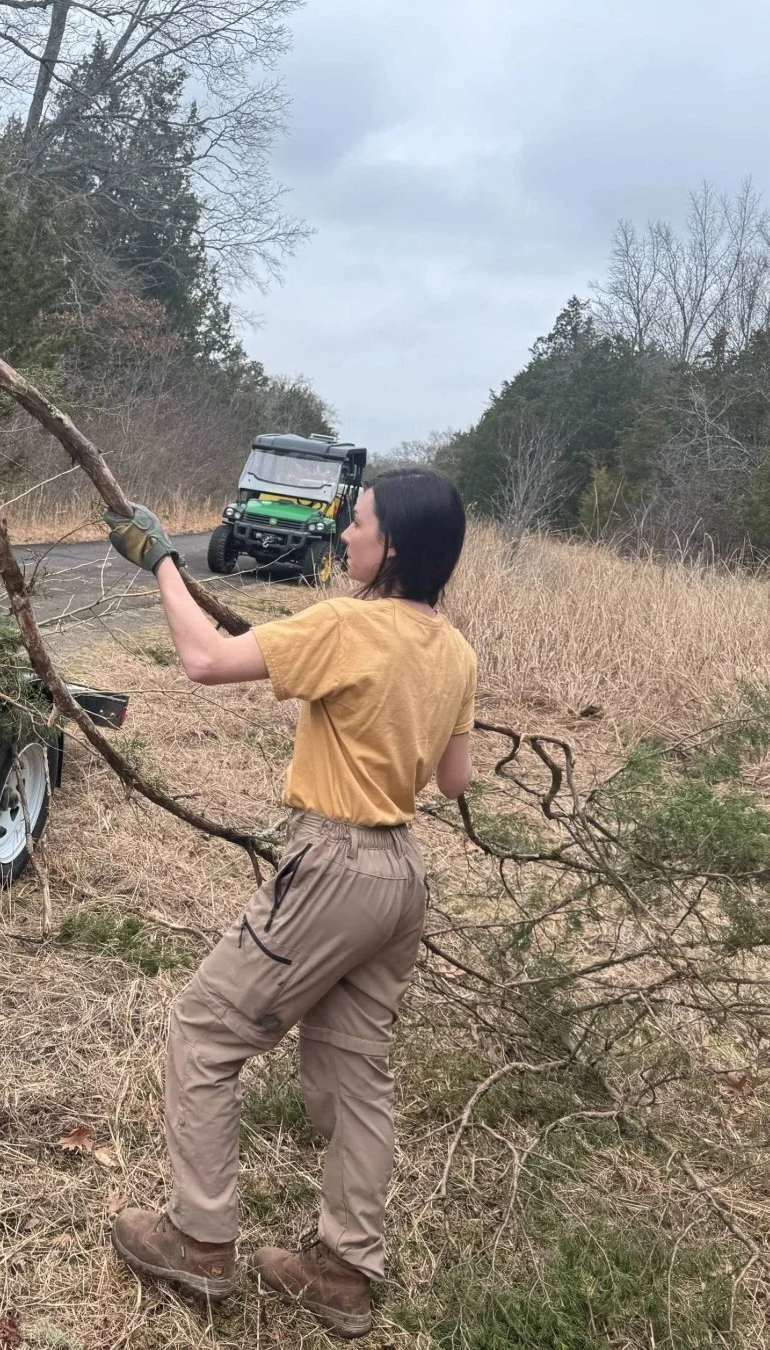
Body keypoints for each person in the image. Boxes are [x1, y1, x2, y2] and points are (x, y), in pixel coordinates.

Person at [104, 469, 475, 1340]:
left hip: (334, 866)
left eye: (362, 523)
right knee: (357, 1073)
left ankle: (199, 1242)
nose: (345, 532)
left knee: (204, 1030)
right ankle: (343, 1272)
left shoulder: (347, 624)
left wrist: (161, 559)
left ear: (396, 549)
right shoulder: (456, 652)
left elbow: (202, 661)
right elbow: (453, 780)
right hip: (402, 879)